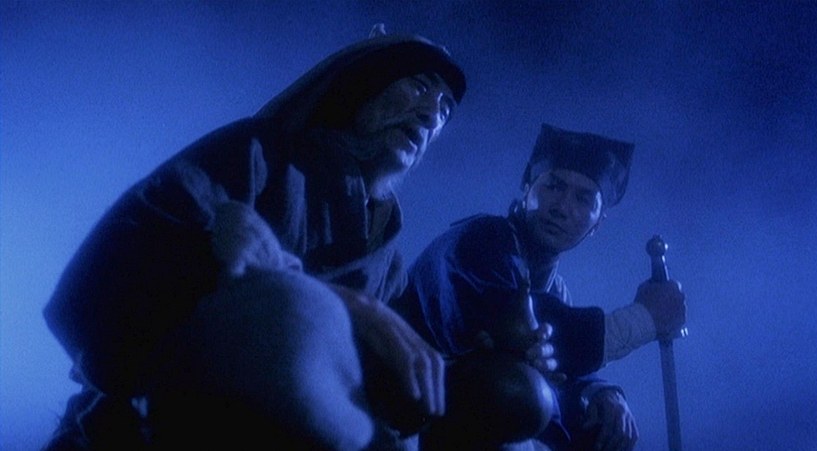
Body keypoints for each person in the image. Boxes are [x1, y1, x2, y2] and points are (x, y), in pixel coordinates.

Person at [42, 26, 466, 451]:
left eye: (445, 110)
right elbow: (127, 251)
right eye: (419, 86)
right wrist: (328, 302)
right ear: (368, 86)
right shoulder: (260, 154)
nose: (432, 115)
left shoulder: (389, 262)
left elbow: (394, 383)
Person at [390, 123, 687, 450]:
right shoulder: (481, 240)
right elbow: (521, 325)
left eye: (583, 198)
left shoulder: (554, 288)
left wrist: (600, 392)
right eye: (554, 187)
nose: (562, 207)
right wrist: (644, 318)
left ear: (598, 223)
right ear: (527, 187)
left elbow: (559, 360)